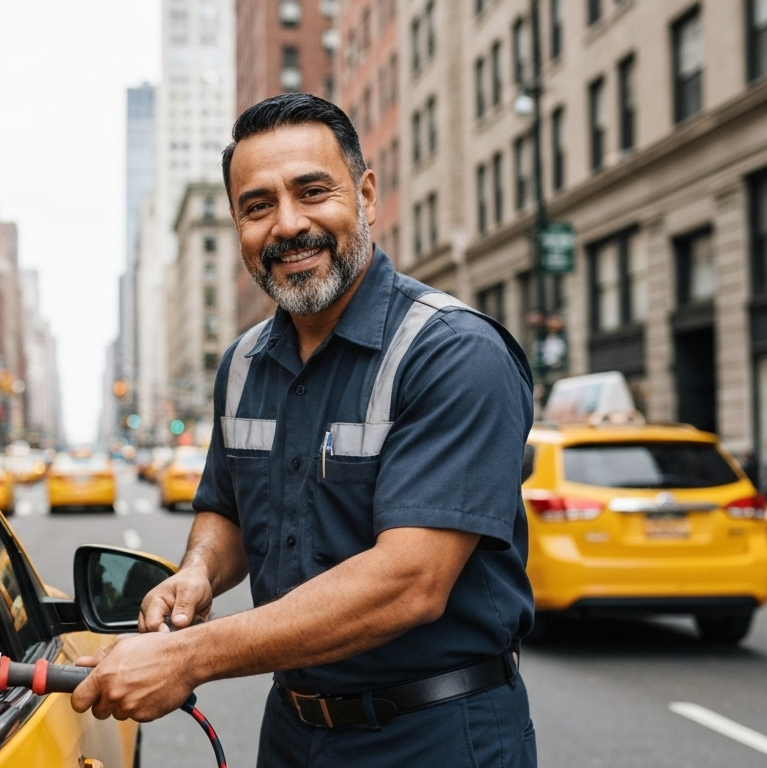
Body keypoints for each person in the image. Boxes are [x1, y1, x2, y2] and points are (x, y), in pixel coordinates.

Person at [70, 94, 536, 767]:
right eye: (257, 207)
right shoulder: (242, 365)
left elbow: (411, 580)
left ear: (367, 195)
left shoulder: (456, 353)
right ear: (237, 225)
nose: (288, 225)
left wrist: (187, 655)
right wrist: (198, 573)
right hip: (290, 732)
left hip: (435, 734)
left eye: (312, 192)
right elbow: (225, 510)